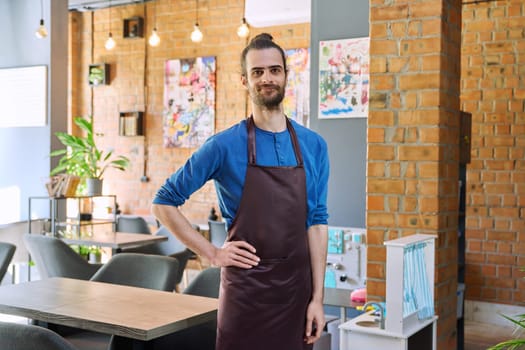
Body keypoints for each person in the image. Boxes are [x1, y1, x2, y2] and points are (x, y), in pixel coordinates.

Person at [152, 33, 329, 350]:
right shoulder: (223, 145)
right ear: (244, 81)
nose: (267, 78)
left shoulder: (314, 146)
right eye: (257, 72)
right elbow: (163, 203)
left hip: (296, 295)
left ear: (286, 75)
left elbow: (316, 222)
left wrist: (318, 298)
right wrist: (212, 252)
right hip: (245, 295)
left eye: (274, 70)